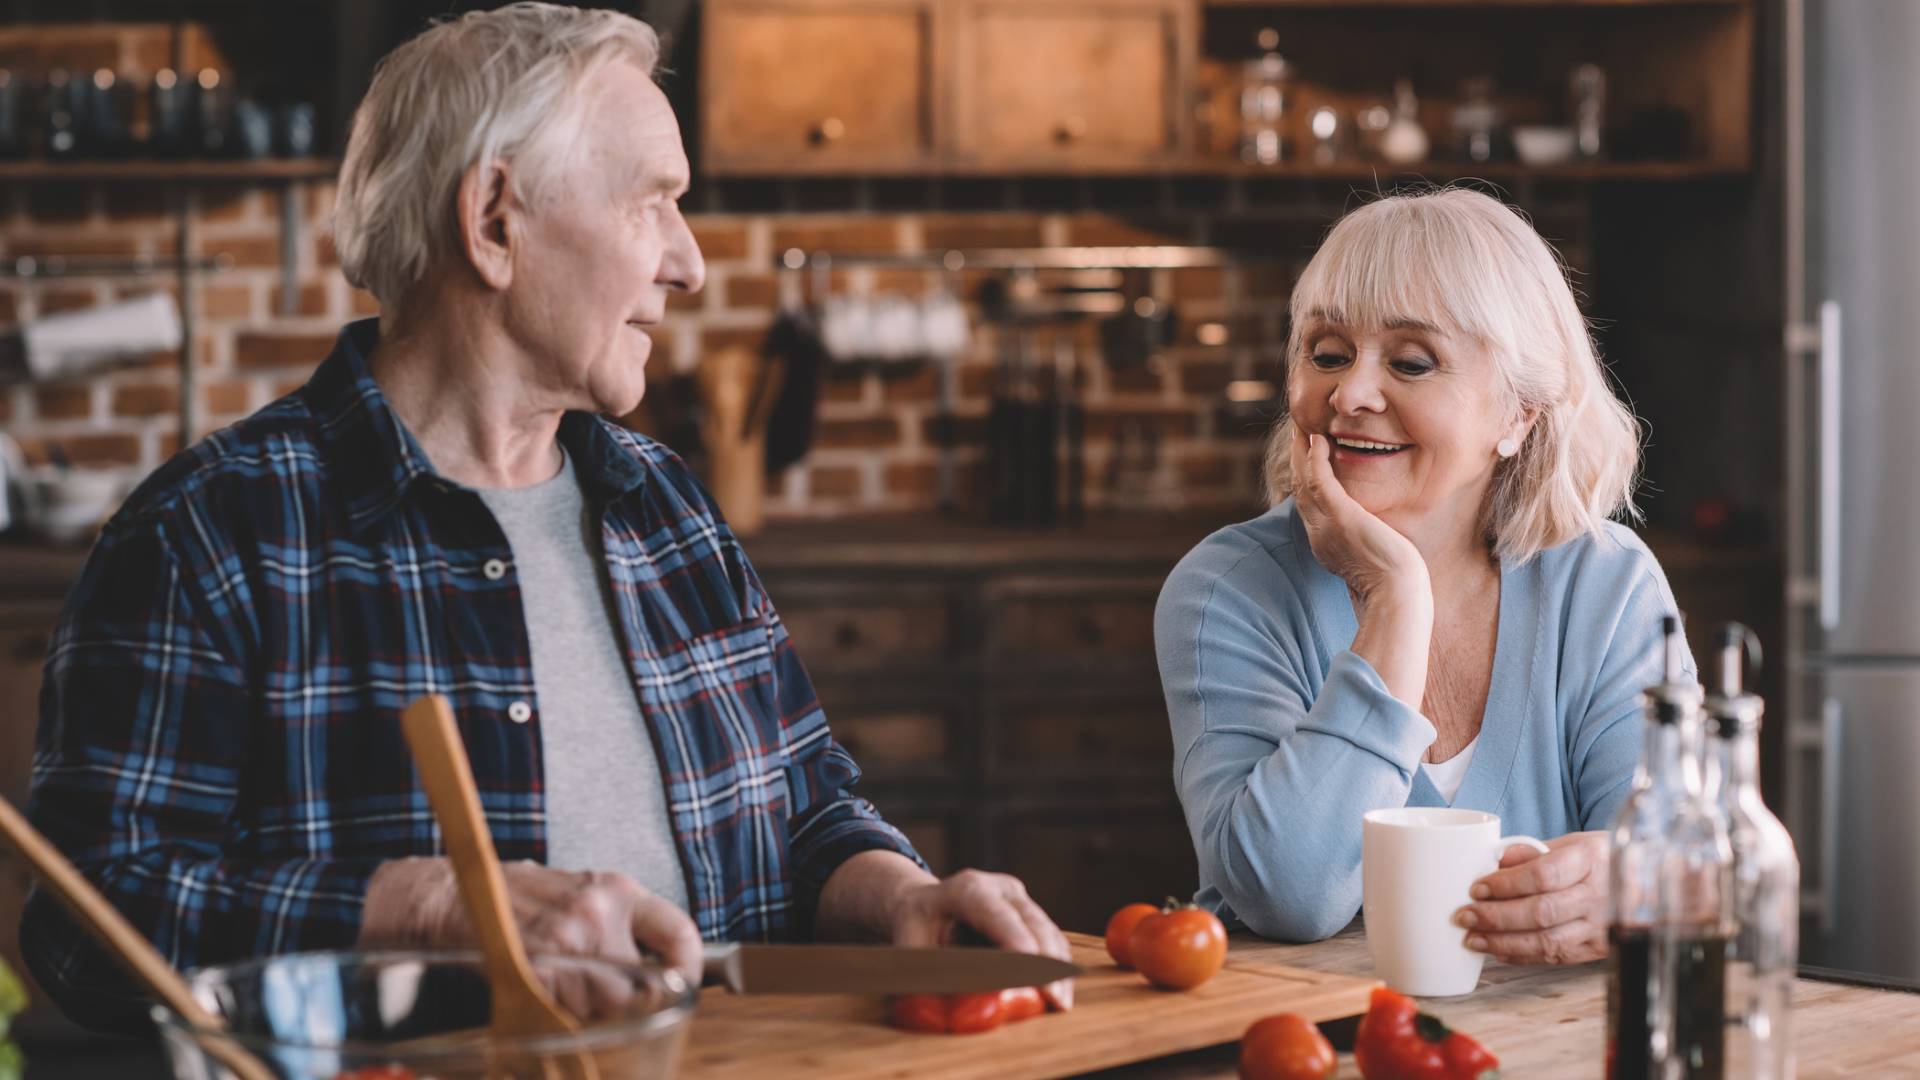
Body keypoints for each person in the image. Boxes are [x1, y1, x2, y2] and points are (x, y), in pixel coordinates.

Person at [23, 3, 1070, 1030]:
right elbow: (89, 929)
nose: (690, 261)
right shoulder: (207, 536)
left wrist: (897, 896)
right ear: (493, 222)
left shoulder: (666, 507)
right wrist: (432, 909)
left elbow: (804, 802)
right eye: (649, 203)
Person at [1155, 187, 1687, 964]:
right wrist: (1396, 600)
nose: (1350, 394)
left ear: (1518, 415)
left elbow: (1701, 849)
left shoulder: (1606, 587)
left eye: (1411, 361)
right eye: (1326, 353)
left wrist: (1639, 881)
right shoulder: (1228, 590)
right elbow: (1288, 894)